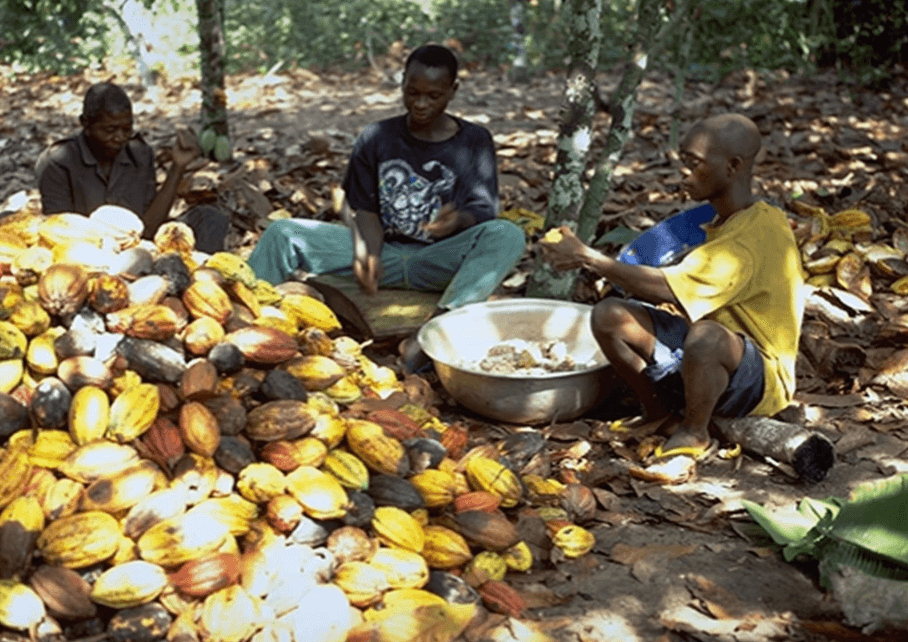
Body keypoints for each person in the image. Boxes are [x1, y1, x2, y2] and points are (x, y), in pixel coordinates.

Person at [246, 43, 526, 367]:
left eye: (433, 96)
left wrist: (458, 220)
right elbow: (364, 207)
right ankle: (242, 318)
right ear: (402, 83)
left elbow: (483, 209)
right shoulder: (377, 135)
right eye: (412, 92)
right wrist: (369, 250)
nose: (420, 104)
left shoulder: (474, 140)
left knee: (507, 234)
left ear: (453, 91)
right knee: (283, 232)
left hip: (438, 260)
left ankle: (430, 336)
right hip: (389, 256)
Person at [540, 113, 805, 454]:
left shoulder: (750, 238)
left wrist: (588, 257)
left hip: (761, 379)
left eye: (694, 163)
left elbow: (669, 288)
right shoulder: (726, 218)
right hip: (715, 360)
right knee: (609, 315)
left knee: (706, 338)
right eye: (682, 161)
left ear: (733, 166)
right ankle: (659, 413)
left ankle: (695, 432)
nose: (683, 173)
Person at [36, 82, 228, 253]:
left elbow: (149, 228)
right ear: (85, 124)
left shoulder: (139, 153)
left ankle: (206, 280)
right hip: (84, 257)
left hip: (138, 251)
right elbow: (57, 233)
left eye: (126, 129)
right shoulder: (58, 161)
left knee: (209, 217)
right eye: (109, 130)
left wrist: (177, 167)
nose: (119, 137)